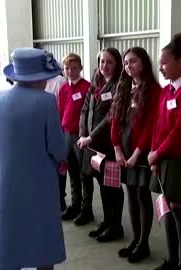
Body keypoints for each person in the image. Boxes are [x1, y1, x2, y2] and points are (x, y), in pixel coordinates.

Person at [0, 48, 68, 270]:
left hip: (4, 187)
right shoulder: (46, 102)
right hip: (39, 185)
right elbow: (59, 150)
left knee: (8, 241)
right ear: (41, 77)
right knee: (42, 241)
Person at [148, 33, 181, 270]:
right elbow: (158, 125)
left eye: (164, 62)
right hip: (162, 159)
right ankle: (171, 260)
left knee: (180, 214)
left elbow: (180, 132)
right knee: (167, 212)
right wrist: (153, 154)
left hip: (178, 160)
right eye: (160, 62)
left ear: (180, 62)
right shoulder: (167, 90)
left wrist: (156, 153)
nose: (161, 66)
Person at [111, 47, 161, 263]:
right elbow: (115, 118)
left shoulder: (153, 90)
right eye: (126, 62)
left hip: (141, 153)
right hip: (125, 152)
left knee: (142, 196)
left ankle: (144, 243)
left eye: (133, 61)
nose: (128, 66)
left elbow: (151, 125)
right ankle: (135, 239)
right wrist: (117, 148)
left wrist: (137, 153)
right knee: (130, 194)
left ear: (144, 63)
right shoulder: (123, 86)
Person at [78, 48, 124, 242]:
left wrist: (91, 137)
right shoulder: (95, 82)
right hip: (93, 148)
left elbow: (109, 117)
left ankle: (116, 225)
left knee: (113, 186)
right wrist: (83, 135)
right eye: (102, 62)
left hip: (109, 146)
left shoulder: (119, 86)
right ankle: (107, 220)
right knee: (103, 185)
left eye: (109, 62)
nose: (104, 66)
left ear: (117, 64)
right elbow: (85, 110)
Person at [58, 53, 93, 225]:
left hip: (80, 136)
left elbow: (89, 114)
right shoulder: (64, 88)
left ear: (80, 68)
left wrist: (85, 135)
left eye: (73, 68)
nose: (70, 71)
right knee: (71, 171)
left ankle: (87, 209)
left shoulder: (87, 87)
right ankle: (75, 204)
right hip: (66, 134)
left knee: (84, 173)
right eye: (66, 68)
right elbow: (60, 111)